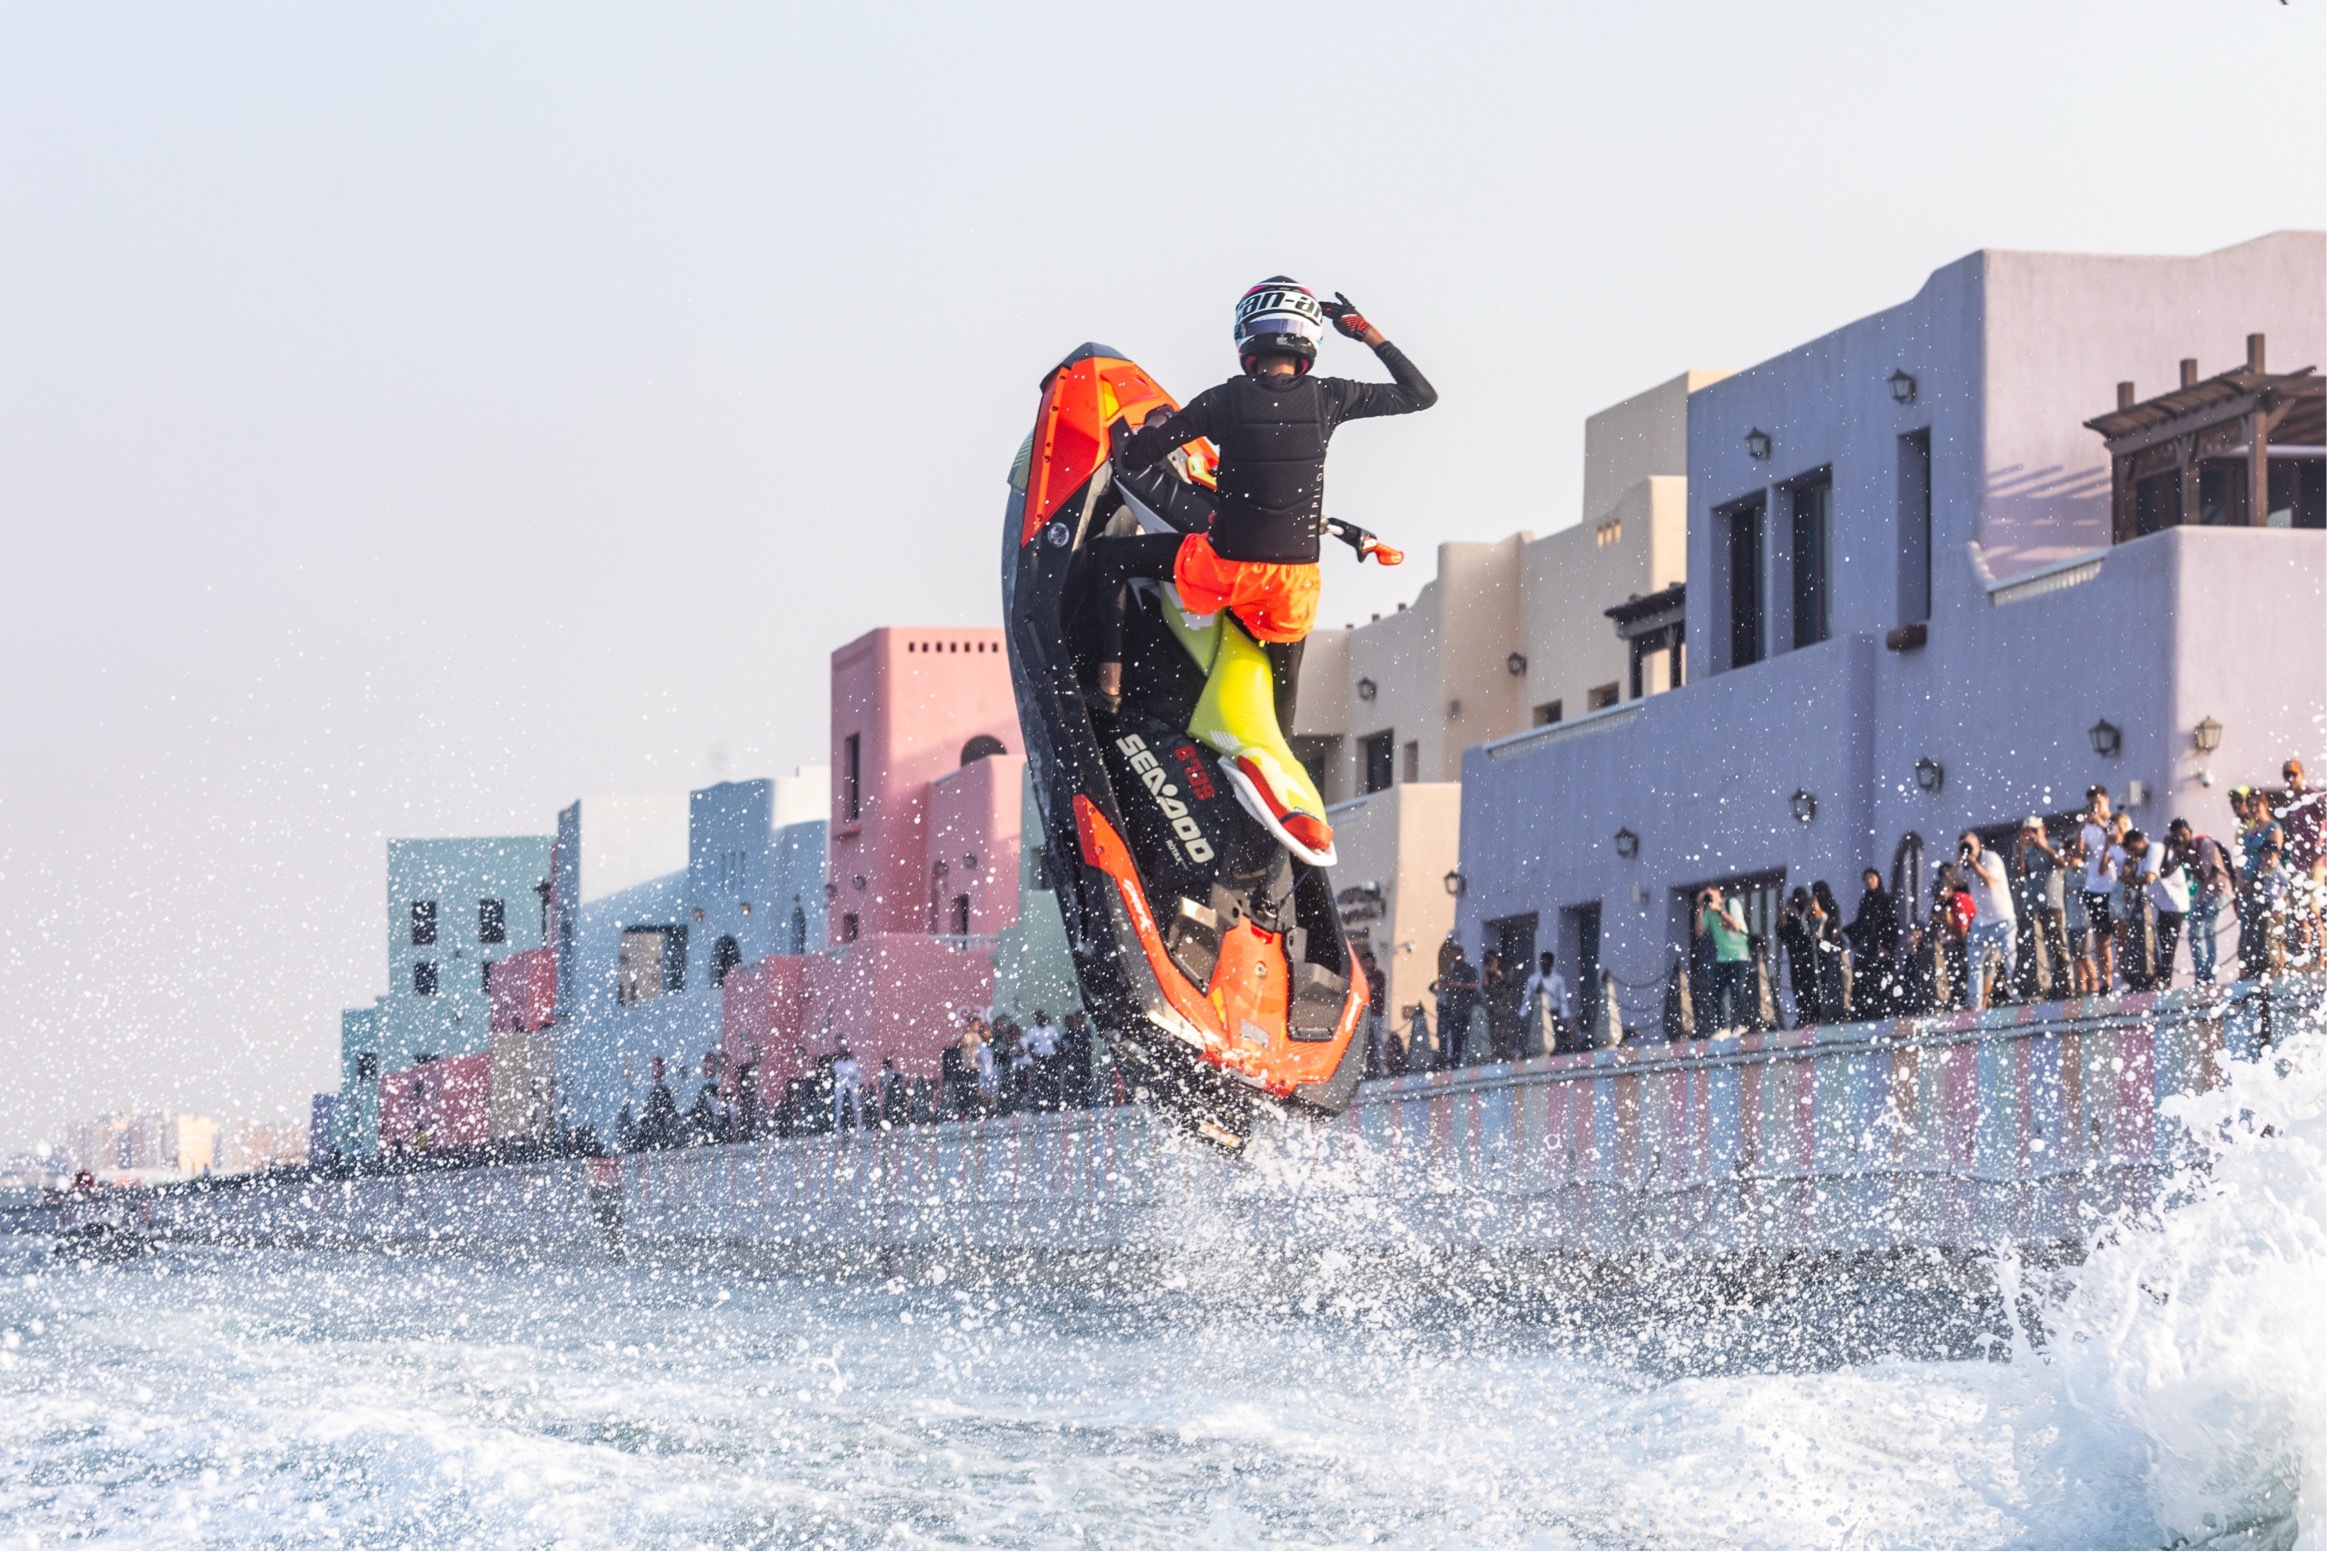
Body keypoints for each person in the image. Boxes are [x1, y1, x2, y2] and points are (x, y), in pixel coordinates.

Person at [1098, 279, 1435, 865]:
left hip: (1224, 571)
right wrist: (1364, 331)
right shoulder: (1331, 396)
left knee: (1110, 561)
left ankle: (1108, 685)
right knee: (1283, 709)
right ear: (1310, 340)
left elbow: (1140, 457)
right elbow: (1419, 395)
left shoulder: (1225, 400)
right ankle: (1278, 781)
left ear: (1246, 340)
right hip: (1291, 587)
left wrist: (1140, 432)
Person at [2273, 760, 2325, 969]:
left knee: (2312, 911)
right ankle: (2304, 958)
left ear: (2302, 774)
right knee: (2297, 912)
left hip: (2315, 864)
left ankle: (2321, 959)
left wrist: (2320, 850)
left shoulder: (2314, 796)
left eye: (2294, 774)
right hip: (2298, 864)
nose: (2291, 779)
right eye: (2287, 775)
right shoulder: (2294, 800)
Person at [2011, 818, 2069, 1001]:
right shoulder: (2026, 852)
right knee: (2044, 949)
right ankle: (2052, 985)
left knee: (2059, 947)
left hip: (2054, 904)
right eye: (2027, 832)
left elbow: (2062, 864)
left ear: (2043, 829)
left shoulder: (2054, 845)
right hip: (2036, 905)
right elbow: (2019, 874)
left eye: (2034, 831)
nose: (2031, 835)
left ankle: (2066, 986)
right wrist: (2021, 851)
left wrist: (2044, 846)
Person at [1958, 831, 2017, 1012]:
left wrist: (1974, 863)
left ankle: (2018, 995)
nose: (1967, 849)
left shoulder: (1991, 858)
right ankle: (1974, 1003)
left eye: (1968, 845)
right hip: (1981, 922)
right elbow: (1953, 881)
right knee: (1974, 962)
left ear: (1977, 845)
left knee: (2010, 959)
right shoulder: (1965, 864)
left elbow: (1989, 881)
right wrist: (1959, 859)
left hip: (2002, 919)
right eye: (1963, 846)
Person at [2182, 815, 2237, 988]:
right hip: (2202, 894)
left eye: (2183, 835)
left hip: (2219, 891)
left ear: (2190, 832)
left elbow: (2202, 874)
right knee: (2193, 932)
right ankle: (2200, 973)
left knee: (2209, 930)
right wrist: (2172, 849)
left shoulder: (2205, 843)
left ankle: (2209, 974)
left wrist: (2185, 855)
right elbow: (2166, 871)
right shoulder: (2182, 849)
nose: (2181, 839)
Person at [2077, 787, 2120, 991]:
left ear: (2106, 800)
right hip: (2094, 887)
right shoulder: (2088, 826)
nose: (2095, 807)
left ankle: (2125, 978)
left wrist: (2102, 823)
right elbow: (2078, 854)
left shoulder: (2116, 821)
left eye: (2098, 802)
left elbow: (2119, 841)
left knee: (2121, 935)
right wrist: (2082, 826)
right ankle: (2107, 982)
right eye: (2092, 803)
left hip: (2115, 885)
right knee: (2101, 938)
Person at [1698, 888, 1754, 1032]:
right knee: (1716, 993)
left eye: (1710, 895)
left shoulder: (1731, 903)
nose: (1709, 898)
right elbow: (1699, 931)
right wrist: (1701, 907)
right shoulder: (1708, 912)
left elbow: (1736, 926)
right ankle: (1723, 1027)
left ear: (1718, 893)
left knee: (1737, 991)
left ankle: (1742, 1024)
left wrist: (1719, 910)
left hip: (1739, 956)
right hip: (1722, 958)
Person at [1847, 868, 1902, 1015]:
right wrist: (1845, 931)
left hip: (1881, 948)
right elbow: (1861, 924)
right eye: (1866, 879)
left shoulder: (1885, 900)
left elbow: (1891, 924)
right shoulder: (1865, 901)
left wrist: (1887, 945)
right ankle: (1864, 1011)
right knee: (1864, 982)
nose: (1869, 881)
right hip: (1867, 949)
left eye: (1872, 878)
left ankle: (1883, 1010)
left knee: (1882, 982)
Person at [1811, 880, 1852, 1020]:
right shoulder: (1815, 911)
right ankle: (1828, 1009)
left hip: (1833, 948)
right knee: (1825, 980)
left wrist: (1820, 914)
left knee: (1840, 978)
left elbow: (1831, 924)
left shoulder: (1832, 907)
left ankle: (1841, 1008)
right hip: (1822, 950)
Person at [1779, 887, 1820, 1025]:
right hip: (1795, 956)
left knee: (1812, 985)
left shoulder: (1808, 913)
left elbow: (1814, 930)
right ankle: (1804, 1014)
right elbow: (1783, 934)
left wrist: (1809, 913)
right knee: (1798, 987)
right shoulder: (1789, 918)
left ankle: (1814, 1014)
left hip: (1810, 955)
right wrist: (1785, 918)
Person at [1522, 950, 1573, 1056]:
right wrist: (1523, 1013)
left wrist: (1565, 1016)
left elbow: (1563, 999)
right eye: (1542, 963)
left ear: (1551, 964)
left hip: (1552, 1012)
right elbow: (1527, 998)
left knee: (1554, 1039)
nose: (1544, 965)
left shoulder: (1558, 980)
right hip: (1537, 1013)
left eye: (1546, 963)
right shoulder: (1533, 979)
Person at [1023, 1011, 1063, 1110]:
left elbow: (1056, 1044)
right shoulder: (1033, 1031)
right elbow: (1030, 1046)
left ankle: (1054, 1103)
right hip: (1040, 1058)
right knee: (1041, 1082)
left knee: (1053, 1081)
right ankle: (1041, 1105)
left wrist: (1058, 1058)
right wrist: (1034, 1058)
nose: (1040, 1018)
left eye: (1041, 1016)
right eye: (1038, 1017)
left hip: (1051, 1058)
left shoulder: (1051, 1029)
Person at [1358, 948, 1390, 1076]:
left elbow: (1368, 989)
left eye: (1368, 961)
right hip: (1366, 1013)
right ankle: (1367, 1069)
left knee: (1377, 1040)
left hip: (1376, 1013)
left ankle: (1382, 1068)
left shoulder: (1378, 975)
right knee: (1366, 1042)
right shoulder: (1366, 977)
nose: (1367, 964)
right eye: (1365, 962)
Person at [830, 1047, 866, 1132]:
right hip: (841, 1085)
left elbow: (856, 1073)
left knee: (856, 1104)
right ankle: (838, 1125)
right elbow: (837, 1072)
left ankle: (859, 1124)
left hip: (852, 1084)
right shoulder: (838, 1064)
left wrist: (861, 1083)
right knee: (838, 1105)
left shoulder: (852, 1063)